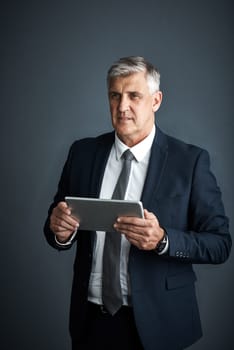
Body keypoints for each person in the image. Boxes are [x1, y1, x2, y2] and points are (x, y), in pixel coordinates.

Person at [44, 56, 231, 350]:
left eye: (134, 96)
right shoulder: (82, 153)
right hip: (90, 319)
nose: (122, 107)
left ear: (156, 101)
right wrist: (60, 232)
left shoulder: (190, 162)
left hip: (160, 323)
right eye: (115, 96)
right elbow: (55, 227)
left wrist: (164, 240)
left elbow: (220, 244)